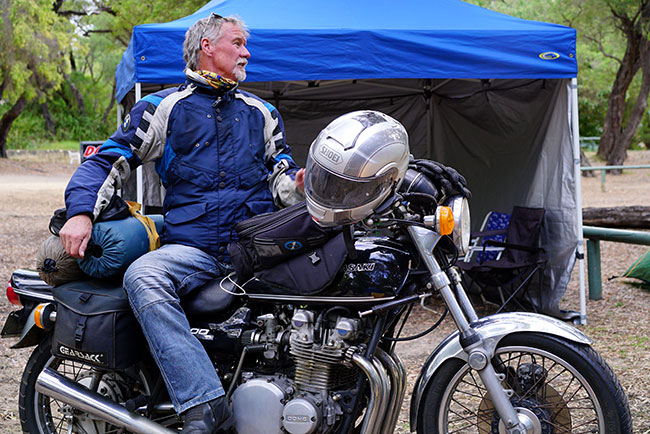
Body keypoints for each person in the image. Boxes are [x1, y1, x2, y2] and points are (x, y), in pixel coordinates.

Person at [60, 14, 305, 434]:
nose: (247, 52)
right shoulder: (162, 108)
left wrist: (304, 185)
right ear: (207, 47)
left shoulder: (262, 113)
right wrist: (81, 212)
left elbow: (283, 180)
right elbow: (108, 160)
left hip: (254, 250)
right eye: (238, 42)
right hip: (192, 250)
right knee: (143, 275)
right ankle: (204, 405)